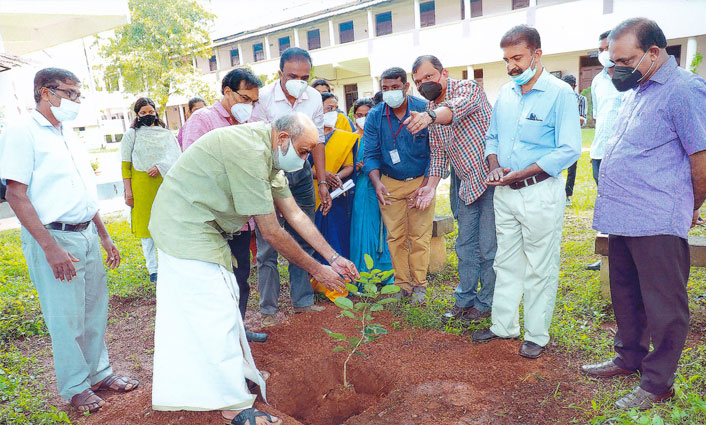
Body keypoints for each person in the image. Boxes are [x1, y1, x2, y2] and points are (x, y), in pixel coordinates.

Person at [148, 112, 359, 423]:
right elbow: (272, 232)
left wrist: (333, 257)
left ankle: (233, 372)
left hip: (204, 226)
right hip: (184, 224)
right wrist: (317, 269)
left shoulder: (269, 152)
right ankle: (232, 404)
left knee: (226, 300)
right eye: (303, 151)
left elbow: (296, 215)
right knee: (214, 309)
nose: (304, 161)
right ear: (284, 138)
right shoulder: (250, 151)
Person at [581, 18, 706, 410]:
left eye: (625, 59)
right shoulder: (638, 87)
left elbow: (700, 158)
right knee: (626, 294)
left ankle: (657, 383)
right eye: (612, 61)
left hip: (656, 218)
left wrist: (690, 206)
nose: (616, 68)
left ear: (654, 53)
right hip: (623, 217)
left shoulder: (683, 90)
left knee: (665, 306)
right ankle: (628, 357)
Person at [0, 68, 138, 414]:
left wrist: (104, 235)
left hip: (86, 234)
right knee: (65, 317)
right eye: (71, 94)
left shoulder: (67, 135)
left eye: (79, 95)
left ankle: (99, 374)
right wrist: (50, 247)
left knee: (94, 311)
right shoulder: (22, 132)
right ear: (46, 92)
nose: (76, 102)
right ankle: (76, 387)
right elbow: (16, 195)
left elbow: (82, 191)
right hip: (54, 236)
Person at [471, 26, 581, 359]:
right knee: (505, 262)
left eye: (517, 57)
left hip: (539, 192)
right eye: (506, 59)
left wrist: (525, 172)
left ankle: (537, 334)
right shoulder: (505, 93)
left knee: (540, 266)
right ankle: (503, 326)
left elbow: (569, 149)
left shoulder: (560, 93)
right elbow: (492, 138)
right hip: (504, 193)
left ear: (537, 54)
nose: (511, 66)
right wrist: (494, 165)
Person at [177, 68, 267, 343]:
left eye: (253, 101)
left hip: (240, 219)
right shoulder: (203, 119)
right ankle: (217, 339)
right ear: (227, 91)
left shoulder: (248, 123)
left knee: (240, 279)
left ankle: (237, 331)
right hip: (213, 221)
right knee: (216, 282)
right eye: (244, 99)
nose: (249, 106)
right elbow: (195, 167)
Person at [405, 54, 496, 323]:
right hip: (465, 183)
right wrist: (430, 187)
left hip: (491, 179)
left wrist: (430, 116)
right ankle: (464, 300)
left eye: (429, 77)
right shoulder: (430, 109)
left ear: (443, 74)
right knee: (465, 245)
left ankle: (487, 302)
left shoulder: (468, 89)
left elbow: (454, 109)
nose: (424, 84)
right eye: (419, 81)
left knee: (489, 247)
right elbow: (439, 155)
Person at [250, 47, 333, 327]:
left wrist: (321, 181)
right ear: (279, 74)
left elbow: (318, 141)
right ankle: (269, 310)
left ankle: (303, 301)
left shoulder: (314, 97)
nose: (299, 81)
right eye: (292, 75)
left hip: (302, 175)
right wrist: (268, 191)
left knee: (304, 236)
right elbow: (256, 143)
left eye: (305, 76)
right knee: (267, 245)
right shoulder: (262, 99)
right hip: (269, 175)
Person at [363, 67, 433, 304]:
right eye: (385, 89)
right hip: (390, 183)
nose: (390, 93)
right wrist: (377, 183)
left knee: (420, 236)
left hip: (420, 182)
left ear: (406, 87)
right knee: (395, 236)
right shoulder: (375, 115)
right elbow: (370, 153)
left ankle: (420, 286)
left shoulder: (424, 109)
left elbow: (437, 152)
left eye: (395, 88)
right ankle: (402, 284)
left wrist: (425, 185)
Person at [121, 97, 180, 283]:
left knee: (165, 226)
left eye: (150, 111)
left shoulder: (165, 133)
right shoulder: (131, 135)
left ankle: (167, 264)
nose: (148, 115)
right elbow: (125, 166)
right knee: (146, 231)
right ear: (137, 115)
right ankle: (153, 269)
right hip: (141, 187)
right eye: (143, 113)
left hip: (163, 185)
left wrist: (161, 166)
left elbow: (176, 157)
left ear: (156, 111)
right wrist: (128, 192)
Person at [310, 92, 359, 300]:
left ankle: (340, 281)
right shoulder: (308, 134)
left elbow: (349, 165)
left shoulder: (344, 137)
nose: (333, 112)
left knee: (336, 237)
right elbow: (301, 166)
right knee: (316, 236)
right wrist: (322, 175)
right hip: (312, 193)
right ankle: (318, 282)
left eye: (335, 108)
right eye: (328, 108)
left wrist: (335, 177)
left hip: (337, 195)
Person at [586, 30, 623, 272]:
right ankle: (608, 254)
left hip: (622, 155)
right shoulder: (598, 80)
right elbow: (599, 116)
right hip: (599, 153)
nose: (602, 54)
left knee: (624, 204)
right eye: (600, 49)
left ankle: (624, 255)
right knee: (606, 205)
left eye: (606, 48)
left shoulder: (631, 77)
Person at [350, 98, 394, 278]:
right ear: (354, 117)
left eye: (367, 115)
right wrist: (356, 167)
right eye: (359, 115)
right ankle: (362, 274)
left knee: (383, 229)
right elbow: (342, 166)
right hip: (361, 189)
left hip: (382, 185)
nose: (363, 118)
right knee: (363, 229)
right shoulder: (350, 139)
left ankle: (385, 275)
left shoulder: (382, 136)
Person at [560, 74, 587, 206]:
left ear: (574, 87)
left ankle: (567, 195)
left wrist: (570, 114)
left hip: (573, 137)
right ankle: (555, 193)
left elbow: (583, 120)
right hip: (557, 136)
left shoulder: (581, 99)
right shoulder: (557, 98)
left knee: (572, 168)